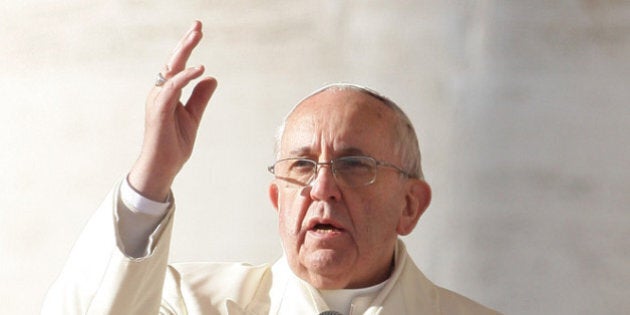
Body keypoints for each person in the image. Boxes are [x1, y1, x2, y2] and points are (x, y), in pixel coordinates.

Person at [42, 21, 499, 315]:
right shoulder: (189, 303)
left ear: (410, 204)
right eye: (301, 165)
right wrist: (152, 176)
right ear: (278, 199)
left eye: (354, 164)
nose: (322, 187)